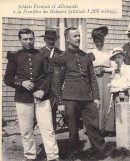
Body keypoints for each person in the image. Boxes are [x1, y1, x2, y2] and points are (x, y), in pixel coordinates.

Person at [4, 28, 60, 161]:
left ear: (34, 39)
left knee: (47, 129)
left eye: (31, 39)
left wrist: (43, 90)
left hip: (42, 98)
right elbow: (8, 78)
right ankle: (30, 156)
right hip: (23, 98)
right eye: (25, 39)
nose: (28, 42)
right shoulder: (15, 56)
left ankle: (53, 156)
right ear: (20, 40)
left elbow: (49, 75)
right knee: (26, 130)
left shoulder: (42, 55)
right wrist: (21, 83)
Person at [52, 27, 106, 160]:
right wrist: (60, 102)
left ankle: (99, 152)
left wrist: (96, 97)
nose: (78, 38)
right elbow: (57, 83)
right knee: (73, 128)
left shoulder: (85, 56)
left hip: (87, 98)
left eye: (79, 36)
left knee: (93, 125)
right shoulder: (62, 57)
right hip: (70, 98)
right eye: (75, 36)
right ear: (67, 38)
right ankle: (75, 153)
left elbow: (92, 78)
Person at [88, 26, 115, 134]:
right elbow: (87, 68)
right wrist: (94, 71)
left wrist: (105, 69)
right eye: (97, 41)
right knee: (97, 101)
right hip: (95, 80)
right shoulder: (90, 53)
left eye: (101, 41)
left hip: (106, 78)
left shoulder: (108, 53)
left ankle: (107, 127)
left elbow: (114, 67)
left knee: (107, 101)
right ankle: (96, 127)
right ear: (94, 41)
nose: (99, 44)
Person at [39, 29, 63, 130]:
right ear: (45, 39)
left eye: (53, 39)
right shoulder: (39, 53)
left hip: (56, 88)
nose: (51, 41)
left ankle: (52, 134)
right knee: (42, 112)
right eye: (49, 39)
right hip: (43, 88)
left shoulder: (61, 54)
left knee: (53, 111)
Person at [107, 47, 130, 129]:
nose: (117, 60)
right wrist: (111, 85)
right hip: (114, 95)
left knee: (123, 114)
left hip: (122, 94)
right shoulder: (114, 70)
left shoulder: (128, 68)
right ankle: (119, 134)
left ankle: (126, 133)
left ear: (123, 57)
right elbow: (114, 81)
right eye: (115, 58)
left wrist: (118, 88)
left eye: (119, 57)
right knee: (117, 116)